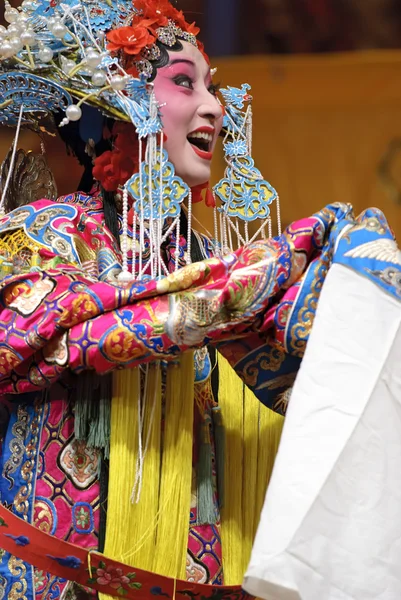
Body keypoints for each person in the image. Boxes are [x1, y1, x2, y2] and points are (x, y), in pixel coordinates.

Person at [0, 1, 400, 600]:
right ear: (119, 106)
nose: (214, 106)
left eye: (211, 86)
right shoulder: (42, 234)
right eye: (184, 83)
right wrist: (245, 283)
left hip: (191, 569)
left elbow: (302, 383)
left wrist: (349, 286)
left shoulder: (216, 263)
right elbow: (32, 341)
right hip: (55, 576)